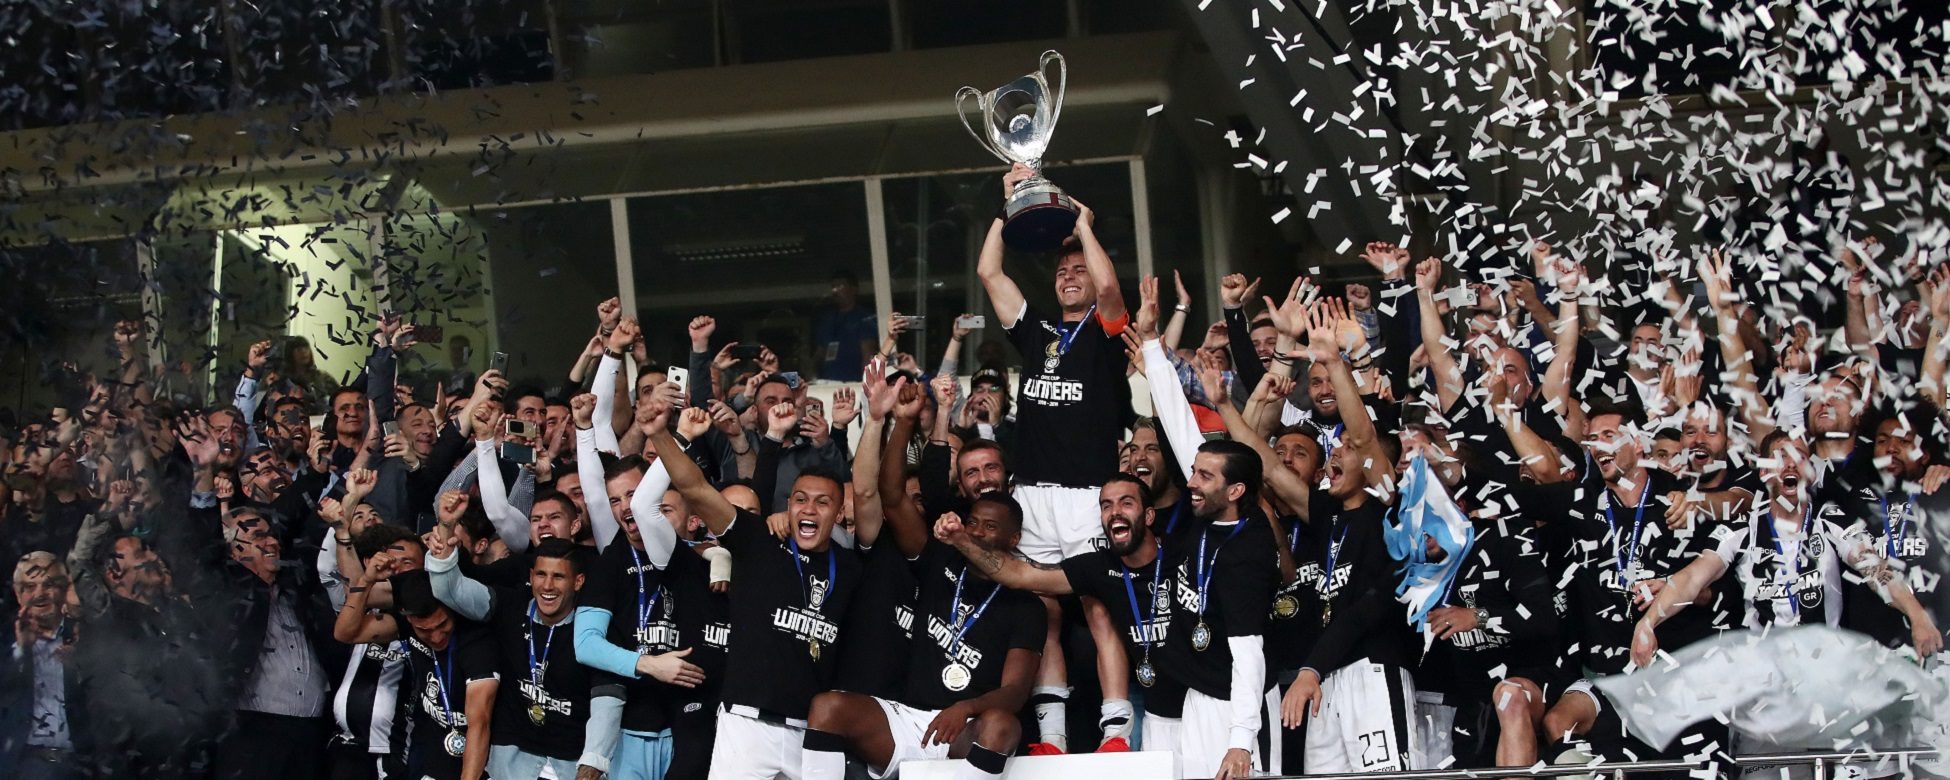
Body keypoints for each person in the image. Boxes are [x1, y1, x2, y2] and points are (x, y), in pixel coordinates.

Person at [978, 162, 1135, 754]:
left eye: (1079, 269)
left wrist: (1084, 226)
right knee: (1040, 612)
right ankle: (1052, 737)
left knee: (1098, 609)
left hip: (1088, 494)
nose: (1071, 277)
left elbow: (1112, 291)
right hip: (1032, 495)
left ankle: (1115, 731)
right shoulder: (1037, 329)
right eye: (1062, 271)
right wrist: (1008, 206)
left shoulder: (1108, 333)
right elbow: (989, 271)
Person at [649, 400, 862, 780]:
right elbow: (694, 488)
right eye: (800, 500)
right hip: (746, 727)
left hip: (813, 732)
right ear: (788, 505)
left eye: (822, 502)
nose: (809, 509)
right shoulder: (757, 543)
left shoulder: (850, 568)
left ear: (838, 513)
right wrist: (660, 434)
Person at [800, 491, 1043, 780]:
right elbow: (892, 495)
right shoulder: (944, 562)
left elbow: (1015, 692)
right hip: (908, 718)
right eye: (972, 522)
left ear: (1014, 539)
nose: (977, 531)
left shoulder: (1027, 606)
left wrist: (965, 708)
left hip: (967, 728)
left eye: (990, 526)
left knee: (1003, 725)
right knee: (827, 707)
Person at [427, 538, 618, 780]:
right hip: (511, 765)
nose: (547, 585)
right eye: (541, 574)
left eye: (558, 576)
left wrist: (591, 764)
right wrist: (443, 548)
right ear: (531, 576)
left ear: (578, 581)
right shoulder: (508, 606)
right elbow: (451, 591)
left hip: (570, 765)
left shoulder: (593, 628)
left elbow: (607, 702)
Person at [2, 552, 85, 780]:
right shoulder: (4, 643)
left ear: (65, 589)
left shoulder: (84, 637)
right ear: (18, 594)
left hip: (83, 763)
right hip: (23, 765)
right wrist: (22, 650)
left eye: (49, 585)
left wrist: (81, 665)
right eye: (29, 587)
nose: (40, 594)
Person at [812, 270, 878, 381]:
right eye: (833, 286)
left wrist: (866, 383)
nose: (834, 291)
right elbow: (820, 353)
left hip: (854, 382)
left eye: (840, 286)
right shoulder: (828, 319)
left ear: (854, 290)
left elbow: (867, 353)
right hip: (828, 382)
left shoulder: (864, 317)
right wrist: (812, 375)